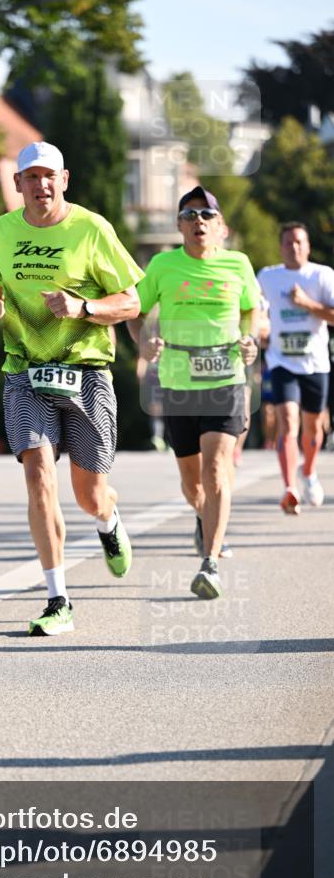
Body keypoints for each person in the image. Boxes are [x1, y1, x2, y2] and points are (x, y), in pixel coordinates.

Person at [0, 140, 143, 636]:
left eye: (49, 176)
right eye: (31, 177)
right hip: (25, 373)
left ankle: (108, 519)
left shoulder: (92, 229)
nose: (41, 185)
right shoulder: (1, 231)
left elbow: (131, 303)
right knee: (37, 475)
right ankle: (58, 598)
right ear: (17, 185)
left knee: (89, 493)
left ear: (65, 180)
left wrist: (84, 308)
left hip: (86, 373)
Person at [128, 187, 260, 600]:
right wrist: (143, 343)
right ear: (179, 225)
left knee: (217, 469)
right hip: (179, 385)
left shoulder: (239, 264)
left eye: (206, 215)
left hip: (225, 379)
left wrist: (250, 338)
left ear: (220, 225)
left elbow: (250, 310)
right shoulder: (163, 266)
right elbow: (133, 311)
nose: (198, 221)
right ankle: (205, 520)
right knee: (192, 484)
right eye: (190, 215)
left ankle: (211, 561)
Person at [257, 222, 334, 513]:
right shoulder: (267, 276)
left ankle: (309, 472)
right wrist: (260, 329)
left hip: (315, 363)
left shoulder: (322, 275)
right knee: (288, 421)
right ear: (281, 247)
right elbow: (255, 311)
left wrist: (306, 304)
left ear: (308, 246)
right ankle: (289, 487)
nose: (294, 247)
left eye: (300, 242)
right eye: (288, 242)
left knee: (313, 429)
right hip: (281, 361)